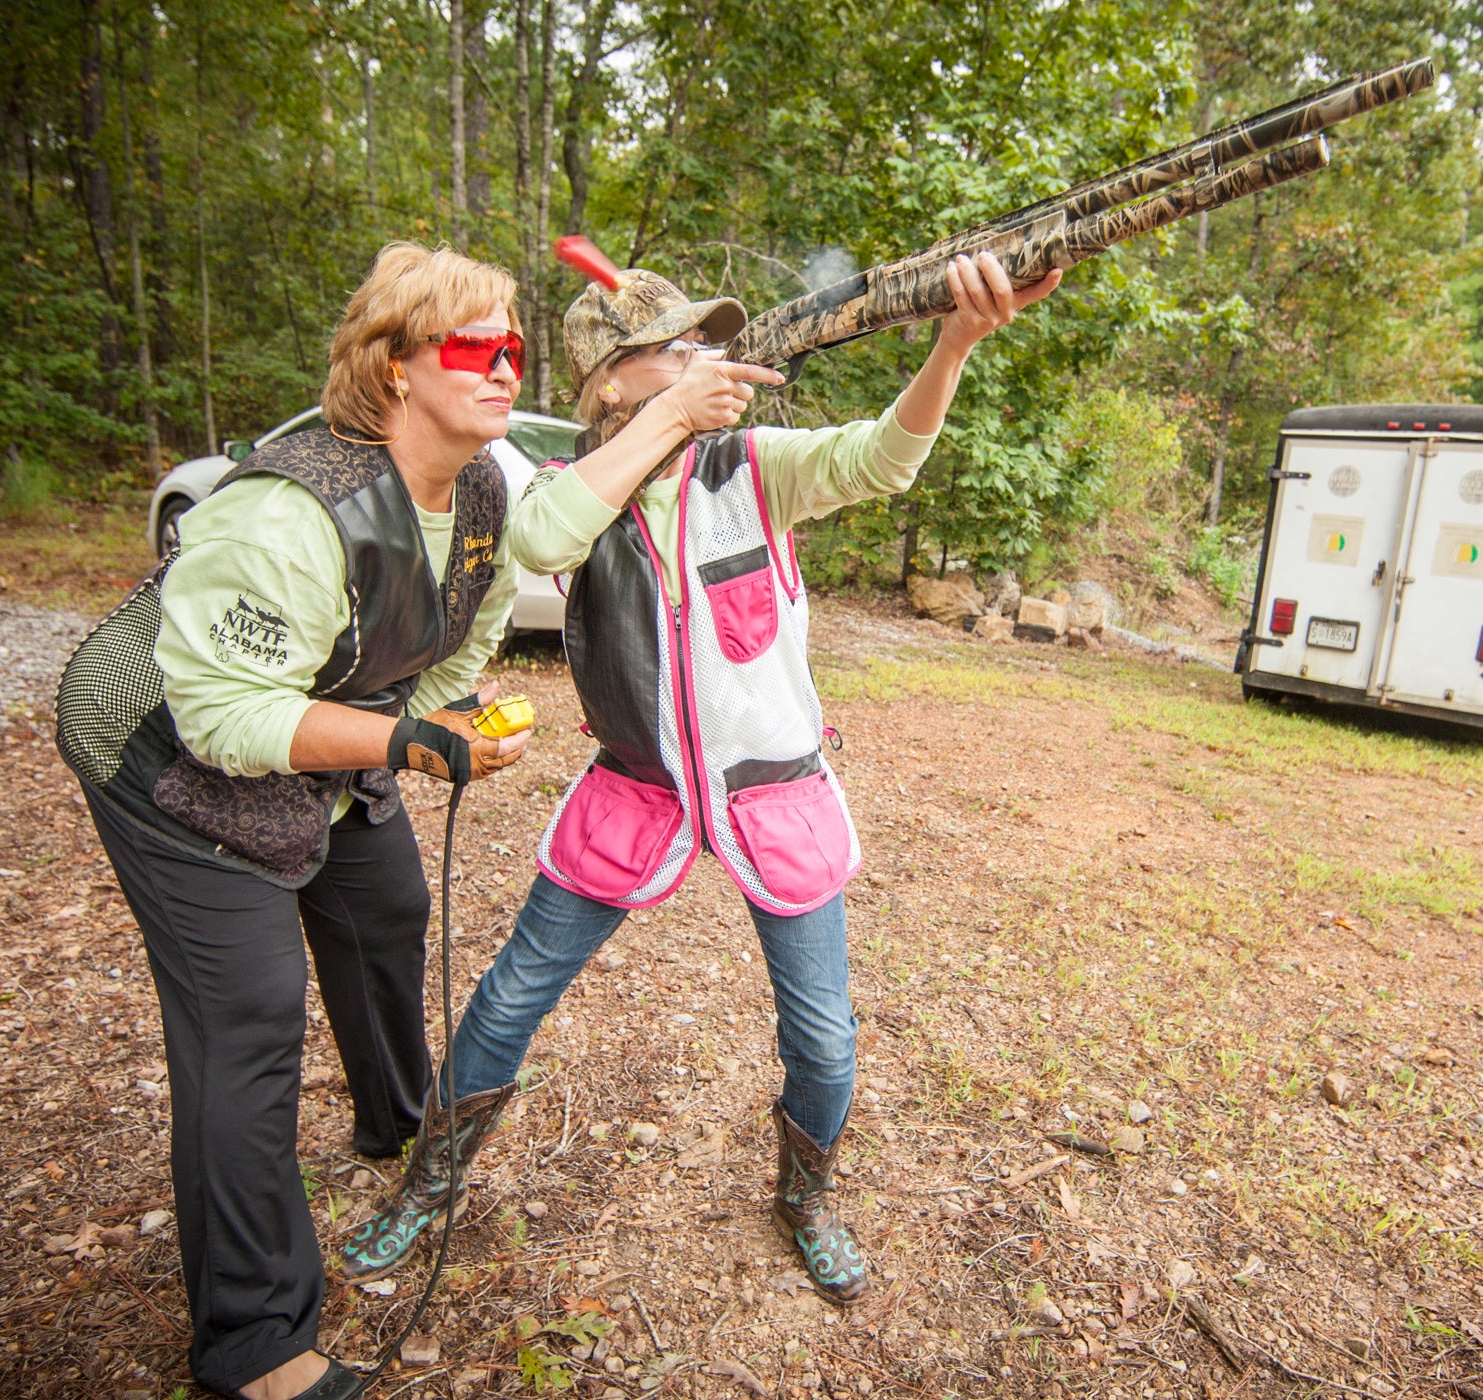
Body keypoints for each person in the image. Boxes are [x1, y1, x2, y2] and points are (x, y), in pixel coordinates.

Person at [338, 250, 1059, 1304]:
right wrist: (669, 416)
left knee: (822, 1032)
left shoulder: (752, 467)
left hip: (777, 795)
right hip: (635, 793)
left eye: (702, 346)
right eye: (673, 349)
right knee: (509, 998)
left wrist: (953, 342)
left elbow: (883, 461)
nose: (704, 360)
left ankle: (807, 1196)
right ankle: (428, 1186)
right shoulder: (564, 487)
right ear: (611, 384)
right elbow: (542, 537)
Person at [51, 243, 588, 1400]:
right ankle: (250, 1343)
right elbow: (223, 715)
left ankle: (398, 1123)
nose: (504, 365)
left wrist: (440, 724)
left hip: (323, 721)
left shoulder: (483, 488)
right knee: (246, 1016)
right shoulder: (284, 511)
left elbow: (462, 635)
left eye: (515, 346)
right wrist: (401, 742)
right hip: (162, 748)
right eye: (472, 345)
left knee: (385, 904)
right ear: (395, 366)